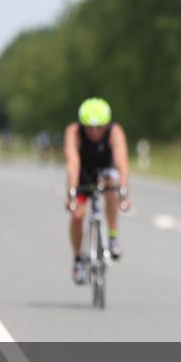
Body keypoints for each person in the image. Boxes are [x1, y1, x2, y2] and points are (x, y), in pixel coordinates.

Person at [64, 98, 131, 284]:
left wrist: (124, 192)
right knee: (77, 215)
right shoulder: (73, 132)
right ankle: (78, 259)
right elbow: (73, 163)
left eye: (99, 127)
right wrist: (71, 193)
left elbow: (121, 163)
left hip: (105, 168)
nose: (94, 132)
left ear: (107, 124)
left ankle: (113, 237)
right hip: (83, 171)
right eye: (89, 128)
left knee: (111, 187)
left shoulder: (115, 132)